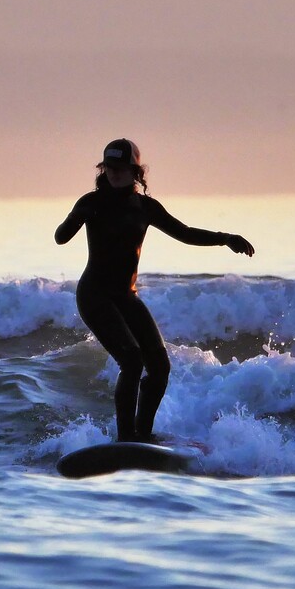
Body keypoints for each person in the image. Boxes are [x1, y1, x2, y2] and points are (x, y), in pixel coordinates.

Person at [54, 138, 254, 442]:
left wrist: (225, 238)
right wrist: (75, 217)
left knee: (159, 367)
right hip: (94, 295)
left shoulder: (145, 207)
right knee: (132, 360)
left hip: (125, 295)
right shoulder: (91, 203)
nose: (114, 173)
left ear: (135, 171)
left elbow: (184, 233)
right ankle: (125, 439)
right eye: (109, 167)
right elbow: (60, 237)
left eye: (121, 168)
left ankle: (142, 436)